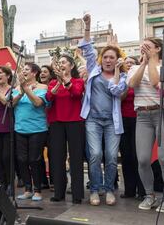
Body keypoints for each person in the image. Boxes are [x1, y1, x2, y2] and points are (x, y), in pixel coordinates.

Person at [79, 14, 127, 206]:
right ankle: (94, 189)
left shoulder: (122, 77)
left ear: (117, 60)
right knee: (95, 154)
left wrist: (117, 70)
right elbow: (87, 49)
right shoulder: (93, 70)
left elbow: (116, 90)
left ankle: (108, 190)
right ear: (101, 59)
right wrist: (88, 26)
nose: (108, 60)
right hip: (93, 119)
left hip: (112, 121)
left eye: (112, 58)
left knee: (111, 158)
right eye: (105, 57)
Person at [127, 37, 164, 212]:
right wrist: (142, 64)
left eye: (148, 46)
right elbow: (133, 84)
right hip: (142, 115)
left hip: (161, 113)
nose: (144, 48)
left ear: (157, 49)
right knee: (142, 159)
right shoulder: (134, 68)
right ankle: (149, 195)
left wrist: (151, 62)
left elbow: (156, 82)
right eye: (142, 45)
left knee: (163, 158)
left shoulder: (161, 66)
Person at [46, 55, 85, 204]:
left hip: (74, 121)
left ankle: (77, 194)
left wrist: (66, 80)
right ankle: (59, 192)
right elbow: (49, 98)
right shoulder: (53, 82)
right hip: (56, 122)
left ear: (71, 66)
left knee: (76, 158)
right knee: (57, 158)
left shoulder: (78, 81)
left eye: (64, 62)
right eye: (59, 63)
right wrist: (58, 83)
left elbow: (76, 93)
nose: (61, 65)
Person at [13, 63, 48, 201]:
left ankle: (38, 190)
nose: (23, 72)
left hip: (37, 129)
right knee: (21, 160)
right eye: (23, 70)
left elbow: (38, 103)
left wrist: (26, 89)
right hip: (20, 128)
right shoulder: (16, 88)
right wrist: (20, 92)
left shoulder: (42, 87)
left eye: (26, 70)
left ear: (34, 73)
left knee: (34, 159)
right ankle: (28, 189)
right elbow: (11, 104)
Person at [119, 56, 145, 200]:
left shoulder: (141, 78)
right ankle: (129, 190)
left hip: (139, 119)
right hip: (123, 120)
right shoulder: (122, 80)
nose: (128, 64)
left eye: (131, 62)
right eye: (126, 62)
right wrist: (126, 84)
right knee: (126, 155)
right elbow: (119, 98)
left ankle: (143, 190)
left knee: (138, 156)